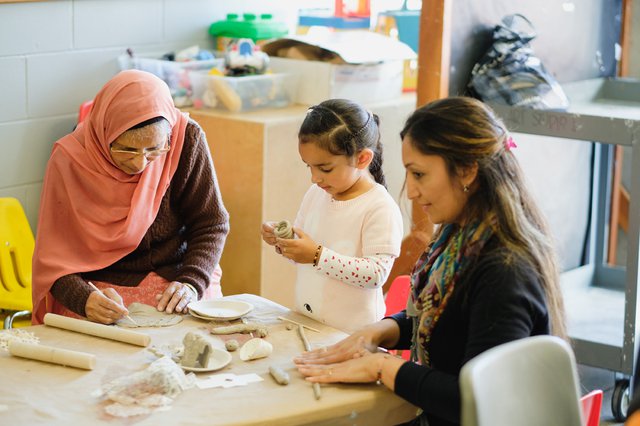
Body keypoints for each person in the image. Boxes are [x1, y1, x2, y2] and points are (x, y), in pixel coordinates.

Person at [295, 97, 567, 426]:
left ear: (467, 171)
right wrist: (385, 329)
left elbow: (474, 400)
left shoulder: (504, 272)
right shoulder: (458, 236)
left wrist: (383, 367)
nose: (410, 191)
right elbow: (446, 322)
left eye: (420, 174)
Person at [31, 70, 229, 325]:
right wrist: (83, 298)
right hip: (100, 286)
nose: (140, 164)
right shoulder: (70, 159)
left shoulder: (186, 139)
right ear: (104, 136)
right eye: (126, 149)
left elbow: (211, 223)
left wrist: (191, 282)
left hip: (178, 273)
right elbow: (52, 260)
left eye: (154, 150)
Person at [261, 99, 403, 333]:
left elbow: (376, 274)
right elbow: (301, 253)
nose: (315, 178)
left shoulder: (379, 207)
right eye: (309, 167)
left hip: (353, 337)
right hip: (308, 324)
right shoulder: (316, 193)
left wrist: (317, 255)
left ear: (362, 159)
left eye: (325, 169)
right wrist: (282, 241)